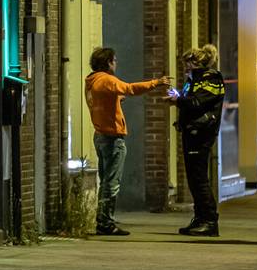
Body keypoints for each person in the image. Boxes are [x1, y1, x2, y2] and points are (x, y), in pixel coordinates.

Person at [85, 48, 170, 236]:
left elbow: (104, 99)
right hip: (112, 138)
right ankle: (105, 222)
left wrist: (116, 99)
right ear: (107, 62)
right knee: (111, 182)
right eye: (114, 60)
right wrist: (156, 83)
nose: (116, 63)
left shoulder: (91, 81)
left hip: (100, 135)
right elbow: (130, 89)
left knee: (106, 178)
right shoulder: (107, 80)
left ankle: (103, 218)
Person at [169, 45, 225, 237]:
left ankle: (210, 221)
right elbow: (189, 100)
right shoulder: (194, 80)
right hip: (192, 132)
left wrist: (178, 100)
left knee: (199, 179)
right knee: (193, 178)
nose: (185, 68)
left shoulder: (211, 79)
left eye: (187, 64)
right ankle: (200, 218)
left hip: (201, 133)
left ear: (196, 63)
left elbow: (197, 102)